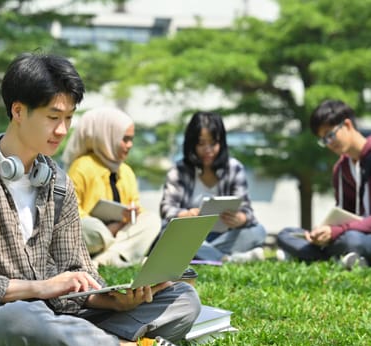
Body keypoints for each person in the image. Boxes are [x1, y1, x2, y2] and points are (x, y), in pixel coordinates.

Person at [0, 52, 200, 346]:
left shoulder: (57, 181)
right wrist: (39, 289)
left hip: (62, 316)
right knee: (23, 317)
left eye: (69, 118)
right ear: (18, 111)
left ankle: (100, 344)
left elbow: (76, 270)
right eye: (53, 117)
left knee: (182, 299)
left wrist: (111, 300)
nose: (62, 130)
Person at [159, 111, 267, 263]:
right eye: (201, 144)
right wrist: (187, 215)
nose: (208, 150)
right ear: (192, 144)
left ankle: (204, 256)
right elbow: (166, 209)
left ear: (221, 143)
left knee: (258, 232)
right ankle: (225, 258)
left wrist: (239, 219)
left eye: (213, 143)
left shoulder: (234, 168)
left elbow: (248, 212)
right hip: (189, 235)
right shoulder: (179, 170)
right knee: (167, 235)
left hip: (223, 235)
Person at [61, 106, 161, 267]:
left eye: (131, 139)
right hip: (96, 232)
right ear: (106, 137)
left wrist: (131, 214)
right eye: (125, 139)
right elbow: (70, 212)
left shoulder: (126, 171)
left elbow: (135, 206)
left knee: (151, 220)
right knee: (94, 230)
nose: (129, 145)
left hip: (119, 231)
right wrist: (110, 229)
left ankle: (103, 260)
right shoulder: (82, 166)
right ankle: (124, 255)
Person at [277, 99, 371, 269]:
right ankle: (348, 258)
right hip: (349, 233)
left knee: (352, 239)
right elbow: (343, 212)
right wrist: (324, 231)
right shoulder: (341, 169)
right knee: (287, 234)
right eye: (323, 140)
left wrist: (336, 231)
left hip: (359, 236)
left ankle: (327, 256)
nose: (329, 143)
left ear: (347, 125)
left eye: (330, 135)